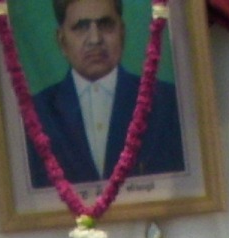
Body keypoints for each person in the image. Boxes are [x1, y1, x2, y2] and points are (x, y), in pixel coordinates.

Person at [25, 0, 184, 189]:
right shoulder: (36, 114)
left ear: (122, 32)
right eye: (81, 27)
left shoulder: (167, 102)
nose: (95, 39)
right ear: (61, 40)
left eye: (106, 25)